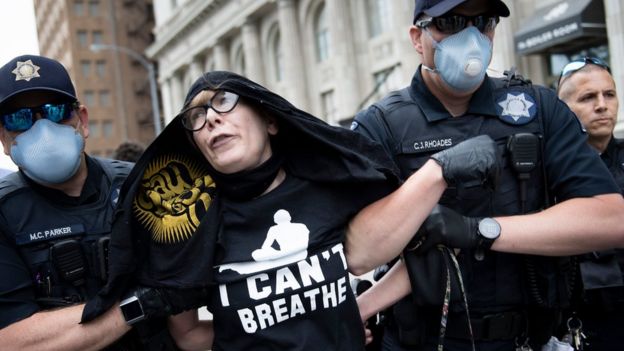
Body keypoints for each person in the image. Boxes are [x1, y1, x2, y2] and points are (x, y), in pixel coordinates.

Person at [80, 70, 499, 351]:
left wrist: (350, 315)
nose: (209, 120)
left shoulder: (330, 188)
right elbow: (188, 337)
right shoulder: (193, 227)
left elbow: (382, 253)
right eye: (195, 116)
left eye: (223, 101)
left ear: (271, 120)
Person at [350, 0, 624, 350]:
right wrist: (436, 172)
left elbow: (610, 219)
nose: (470, 37)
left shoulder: (538, 110)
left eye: (482, 22)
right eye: (449, 23)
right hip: (423, 340)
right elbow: (359, 252)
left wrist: (479, 231)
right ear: (418, 38)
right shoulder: (381, 126)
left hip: (524, 338)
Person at [0, 55, 170, 350]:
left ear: (83, 120)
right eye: (19, 118)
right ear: (3, 138)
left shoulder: (140, 185)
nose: (42, 129)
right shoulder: (5, 212)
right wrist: (138, 305)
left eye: (56, 111)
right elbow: (13, 341)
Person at [557, 56, 624, 349]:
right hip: (582, 321)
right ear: (564, 109)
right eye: (588, 97)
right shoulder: (550, 168)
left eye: (609, 94)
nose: (601, 105)